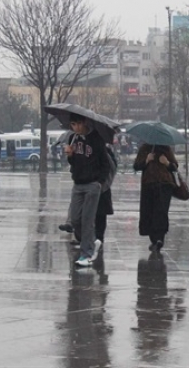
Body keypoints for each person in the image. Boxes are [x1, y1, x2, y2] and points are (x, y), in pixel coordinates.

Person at [65, 113, 111, 267]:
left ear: (84, 123)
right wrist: (70, 156)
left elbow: (106, 163)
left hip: (92, 184)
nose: (76, 128)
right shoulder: (73, 138)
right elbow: (74, 162)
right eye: (72, 125)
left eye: (78, 124)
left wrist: (99, 182)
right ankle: (92, 243)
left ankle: (87, 254)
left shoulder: (96, 139)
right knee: (75, 219)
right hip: (78, 183)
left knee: (87, 219)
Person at [133, 143, 178, 251]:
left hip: (164, 185)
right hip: (149, 185)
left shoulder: (166, 148)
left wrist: (167, 163)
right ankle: (154, 240)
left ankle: (160, 239)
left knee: (161, 212)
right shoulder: (144, 148)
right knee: (149, 212)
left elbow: (175, 166)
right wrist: (147, 160)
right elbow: (136, 166)